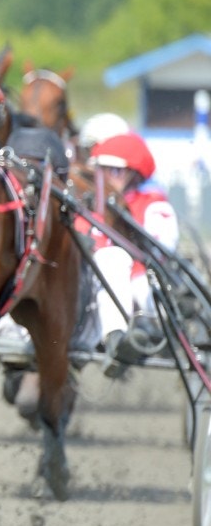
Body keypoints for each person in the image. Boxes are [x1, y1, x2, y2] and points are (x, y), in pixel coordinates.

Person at [88, 130, 179, 377]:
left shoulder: (153, 204)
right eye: (102, 171)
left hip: (140, 288)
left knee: (115, 262)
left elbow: (161, 249)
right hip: (90, 289)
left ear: (133, 174)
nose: (107, 178)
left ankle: (123, 340)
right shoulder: (88, 205)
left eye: (115, 171)